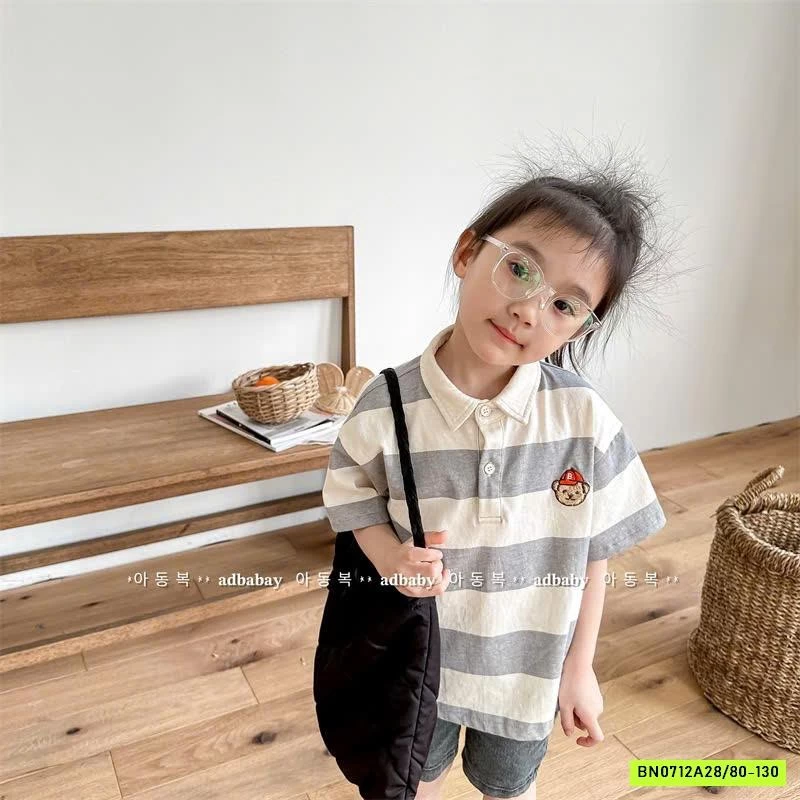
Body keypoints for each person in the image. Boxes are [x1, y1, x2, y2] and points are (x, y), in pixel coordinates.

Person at [321, 141, 677, 800]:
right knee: (416, 783)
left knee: (510, 789)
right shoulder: (387, 405)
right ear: (467, 253)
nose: (530, 310)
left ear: (579, 329)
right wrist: (389, 557)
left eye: (565, 306)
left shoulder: (583, 420)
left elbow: (592, 552)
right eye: (520, 269)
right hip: (419, 662)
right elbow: (352, 496)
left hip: (527, 674)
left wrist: (580, 667)